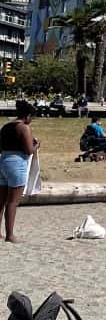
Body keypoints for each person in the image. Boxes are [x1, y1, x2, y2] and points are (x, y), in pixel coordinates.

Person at [1, 101, 37, 243]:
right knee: (12, 202)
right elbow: (28, 150)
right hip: (17, 162)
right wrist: (36, 145)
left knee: (1, 201)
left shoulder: (5, 127)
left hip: (3, 160)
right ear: (27, 116)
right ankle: (10, 235)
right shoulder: (24, 128)